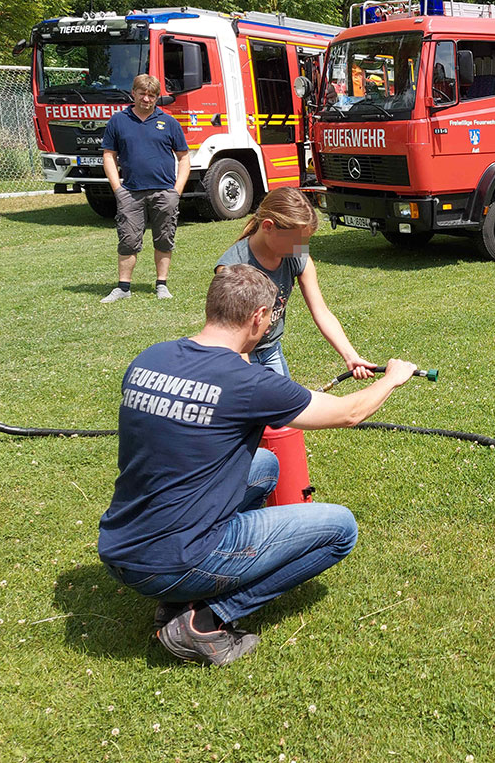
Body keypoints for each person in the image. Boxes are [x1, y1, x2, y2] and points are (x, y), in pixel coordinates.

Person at [98, 264, 417, 666]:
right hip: (173, 559)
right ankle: (206, 620)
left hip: (120, 547)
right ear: (258, 318)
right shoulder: (247, 383)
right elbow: (348, 413)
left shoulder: (150, 357)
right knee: (340, 529)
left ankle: (180, 593)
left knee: (264, 464)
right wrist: (391, 378)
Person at [216, 186, 374, 380]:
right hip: (239, 355)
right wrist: (248, 379)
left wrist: (351, 356)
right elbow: (233, 337)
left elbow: (321, 312)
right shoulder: (232, 268)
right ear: (267, 227)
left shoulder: (297, 255)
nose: (301, 248)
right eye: (295, 241)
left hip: (272, 350)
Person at [99, 73, 191, 303]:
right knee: (128, 240)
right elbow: (109, 155)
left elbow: (184, 158)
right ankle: (123, 288)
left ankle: (161, 285)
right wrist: (118, 188)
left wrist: (176, 191)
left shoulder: (169, 122)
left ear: (157, 97)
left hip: (164, 192)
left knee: (164, 238)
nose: (147, 99)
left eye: (151, 95)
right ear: (133, 93)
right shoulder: (118, 121)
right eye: (142, 94)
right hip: (130, 191)